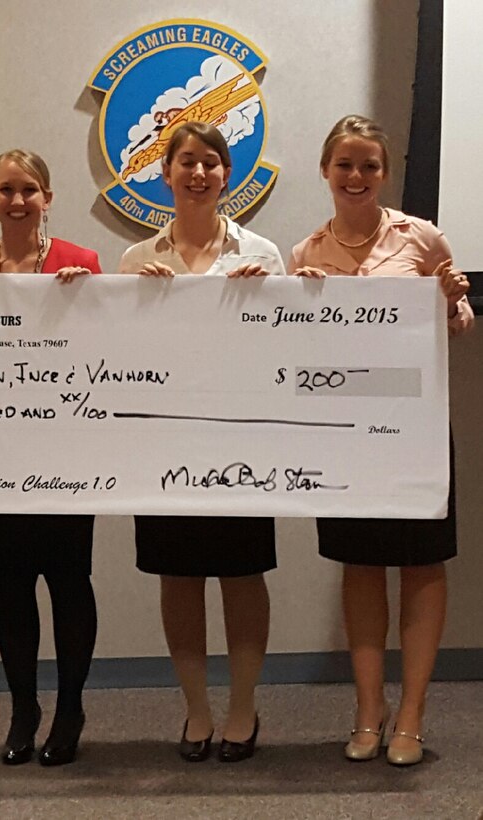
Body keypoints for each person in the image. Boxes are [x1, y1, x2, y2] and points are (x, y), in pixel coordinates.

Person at [290, 114, 473, 766]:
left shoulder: (422, 238)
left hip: (415, 426)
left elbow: (457, 325)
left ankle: (413, 716)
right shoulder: (306, 253)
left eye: (369, 165)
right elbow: (294, 350)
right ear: (326, 171)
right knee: (361, 566)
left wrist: (452, 299)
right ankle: (370, 711)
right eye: (345, 165)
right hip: (346, 433)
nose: (357, 176)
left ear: (384, 172)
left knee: (422, 567)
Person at [119, 121, 284, 763]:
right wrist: (134, 307)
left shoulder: (263, 254)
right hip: (164, 443)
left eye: (211, 162)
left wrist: (260, 305)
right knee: (179, 576)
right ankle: (195, 711)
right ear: (166, 174)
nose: (198, 173)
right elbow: (117, 357)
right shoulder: (136, 260)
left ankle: (243, 709)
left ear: (226, 174)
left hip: (242, 439)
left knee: (243, 575)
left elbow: (290, 350)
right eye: (186, 161)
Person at [0, 149, 99, 766]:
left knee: (68, 582)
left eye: (29, 189)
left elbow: (108, 353)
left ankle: (69, 708)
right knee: (11, 583)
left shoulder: (82, 263)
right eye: (6, 190)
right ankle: (23, 708)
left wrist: (87, 300)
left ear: (48, 197)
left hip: (67, 454)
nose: (17, 200)